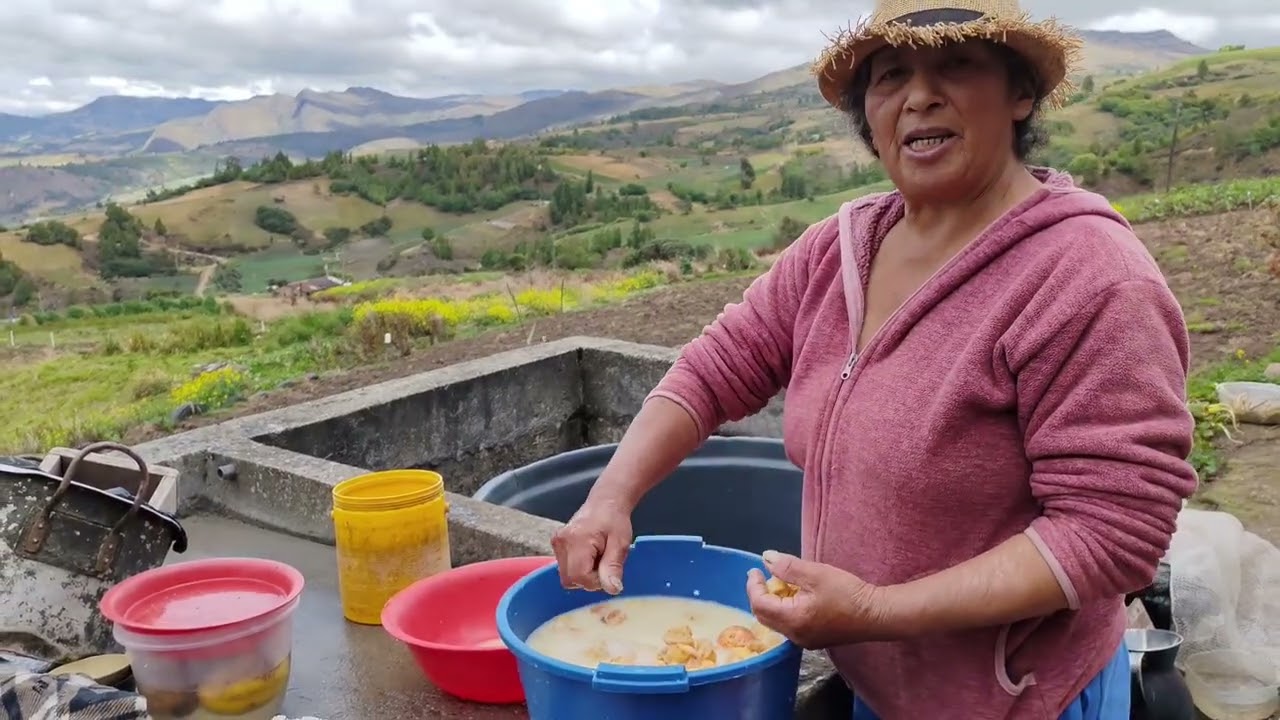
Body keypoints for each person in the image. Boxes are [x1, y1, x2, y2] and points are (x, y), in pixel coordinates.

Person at [550, 0, 1200, 717]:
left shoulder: (1089, 278)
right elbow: (717, 366)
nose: (919, 96)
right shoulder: (839, 250)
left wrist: (875, 610)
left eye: (956, 64)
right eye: (891, 75)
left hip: (1015, 701)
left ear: (1020, 92)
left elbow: (1110, 532)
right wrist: (610, 498)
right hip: (877, 686)